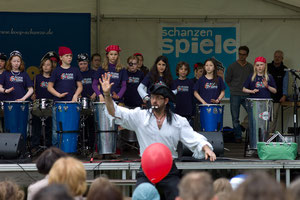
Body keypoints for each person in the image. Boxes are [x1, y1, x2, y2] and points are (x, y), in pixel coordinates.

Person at [100, 73, 216, 200]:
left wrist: (206, 148)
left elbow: (193, 137)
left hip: (169, 171)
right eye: (152, 97)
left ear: (166, 101)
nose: (154, 100)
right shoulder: (140, 116)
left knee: (178, 195)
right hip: (146, 169)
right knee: (141, 195)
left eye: (158, 97)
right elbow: (115, 112)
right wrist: (107, 95)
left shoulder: (178, 121)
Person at [47, 46, 83, 146]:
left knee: (72, 127)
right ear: (61, 57)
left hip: (72, 104)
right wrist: (58, 95)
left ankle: (70, 148)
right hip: (58, 103)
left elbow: (80, 86)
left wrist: (75, 95)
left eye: (71, 56)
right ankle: (56, 150)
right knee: (56, 128)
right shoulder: (56, 71)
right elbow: (49, 87)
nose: (69, 58)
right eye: (67, 56)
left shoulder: (75, 70)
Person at [243, 56, 277, 152]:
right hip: (254, 103)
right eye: (257, 65)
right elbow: (243, 89)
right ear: (255, 66)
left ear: (265, 65)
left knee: (265, 125)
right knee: (254, 125)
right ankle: (253, 145)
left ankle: (265, 145)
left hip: (266, 103)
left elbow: (274, 91)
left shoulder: (269, 77)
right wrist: (251, 91)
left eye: (261, 65)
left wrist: (267, 86)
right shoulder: (251, 77)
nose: (259, 67)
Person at [225, 46, 253, 143]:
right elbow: (227, 80)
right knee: (235, 117)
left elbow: (252, 80)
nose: (241, 56)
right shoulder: (232, 66)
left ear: (247, 55)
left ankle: (244, 127)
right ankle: (238, 136)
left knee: (253, 113)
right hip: (235, 94)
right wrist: (233, 88)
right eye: (240, 54)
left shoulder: (250, 67)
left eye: (243, 54)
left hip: (247, 94)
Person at [31, 58, 54, 151]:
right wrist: (32, 95)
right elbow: (32, 90)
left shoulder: (53, 78)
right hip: (38, 106)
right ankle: (35, 146)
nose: (46, 67)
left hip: (50, 105)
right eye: (44, 65)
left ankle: (49, 146)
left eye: (48, 64)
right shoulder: (37, 78)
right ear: (41, 66)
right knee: (36, 126)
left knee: (49, 127)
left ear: (51, 67)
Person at [268, 50, 289, 133]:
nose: (277, 58)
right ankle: (262, 133)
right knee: (263, 115)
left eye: (279, 57)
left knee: (273, 116)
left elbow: (285, 84)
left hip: (277, 96)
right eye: (275, 56)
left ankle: (270, 134)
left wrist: (284, 95)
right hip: (266, 95)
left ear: (282, 58)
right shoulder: (267, 66)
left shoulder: (285, 69)